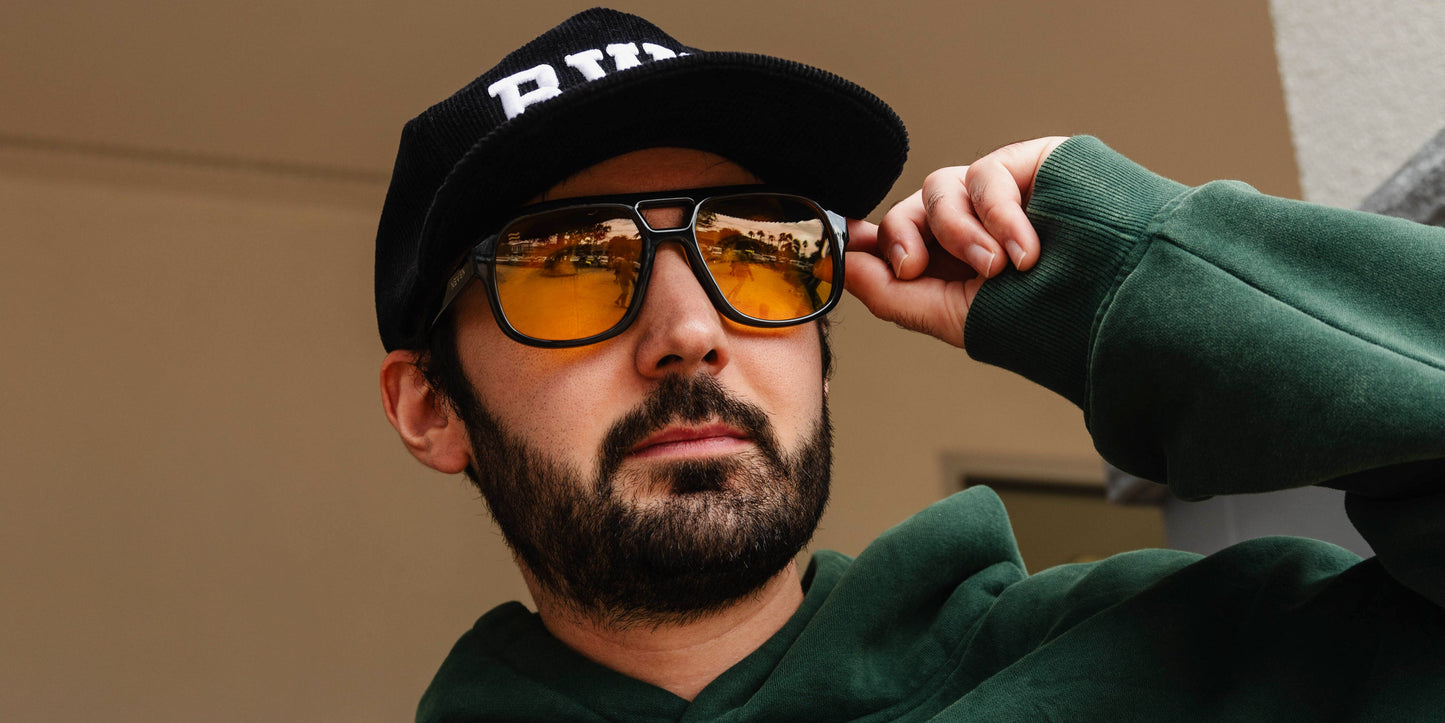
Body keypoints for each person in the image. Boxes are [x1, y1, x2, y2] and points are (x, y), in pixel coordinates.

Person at [374, 9, 1445, 722]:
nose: (690, 333)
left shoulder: (1216, 666)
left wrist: (1129, 270)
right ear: (430, 407)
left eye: (754, 250)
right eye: (568, 267)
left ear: (819, 350)